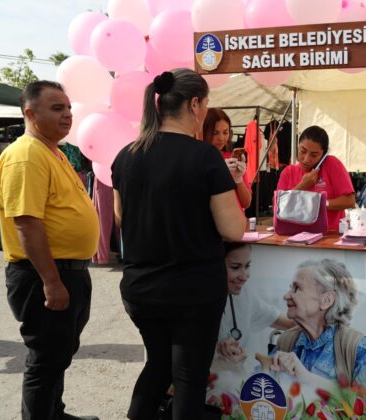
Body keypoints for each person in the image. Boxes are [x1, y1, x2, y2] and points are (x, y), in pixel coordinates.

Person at [111, 69, 246, 420]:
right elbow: (233, 228)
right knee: (188, 377)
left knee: (159, 365)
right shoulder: (204, 157)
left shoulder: (126, 155)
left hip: (141, 288)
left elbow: (121, 218)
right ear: (196, 104)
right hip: (192, 292)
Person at [0, 81, 100, 420]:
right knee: (45, 359)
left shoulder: (51, 150)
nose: (67, 114)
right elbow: (27, 223)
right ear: (30, 113)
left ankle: (54, 413)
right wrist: (51, 282)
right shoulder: (25, 155)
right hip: (43, 274)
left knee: (60, 354)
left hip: (68, 271)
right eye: (57, 108)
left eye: (68, 107)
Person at [270, 259, 366, 388]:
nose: (286, 296)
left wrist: (307, 378)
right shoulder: (286, 342)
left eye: (297, 289)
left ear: (326, 300)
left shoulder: (364, 350)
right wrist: (242, 368)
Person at [207, 242, 295, 408]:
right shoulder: (193, 304)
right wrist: (224, 363)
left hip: (231, 388)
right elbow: (181, 369)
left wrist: (317, 317)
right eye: (235, 267)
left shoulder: (244, 296)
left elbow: (280, 321)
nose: (244, 276)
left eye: (247, 266)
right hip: (199, 393)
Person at [276, 125, 356, 231]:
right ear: (297, 146)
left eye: (314, 155)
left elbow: (349, 201)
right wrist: (302, 185)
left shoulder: (331, 164)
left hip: (329, 235)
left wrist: (316, 203)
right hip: (294, 234)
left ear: (324, 155)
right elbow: (279, 206)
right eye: (302, 151)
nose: (306, 159)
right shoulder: (288, 172)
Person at [202, 108, 251, 209]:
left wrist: (238, 179)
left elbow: (246, 203)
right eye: (215, 133)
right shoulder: (198, 159)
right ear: (205, 131)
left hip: (236, 220)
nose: (221, 138)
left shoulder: (232, 159)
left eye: (225, 132)